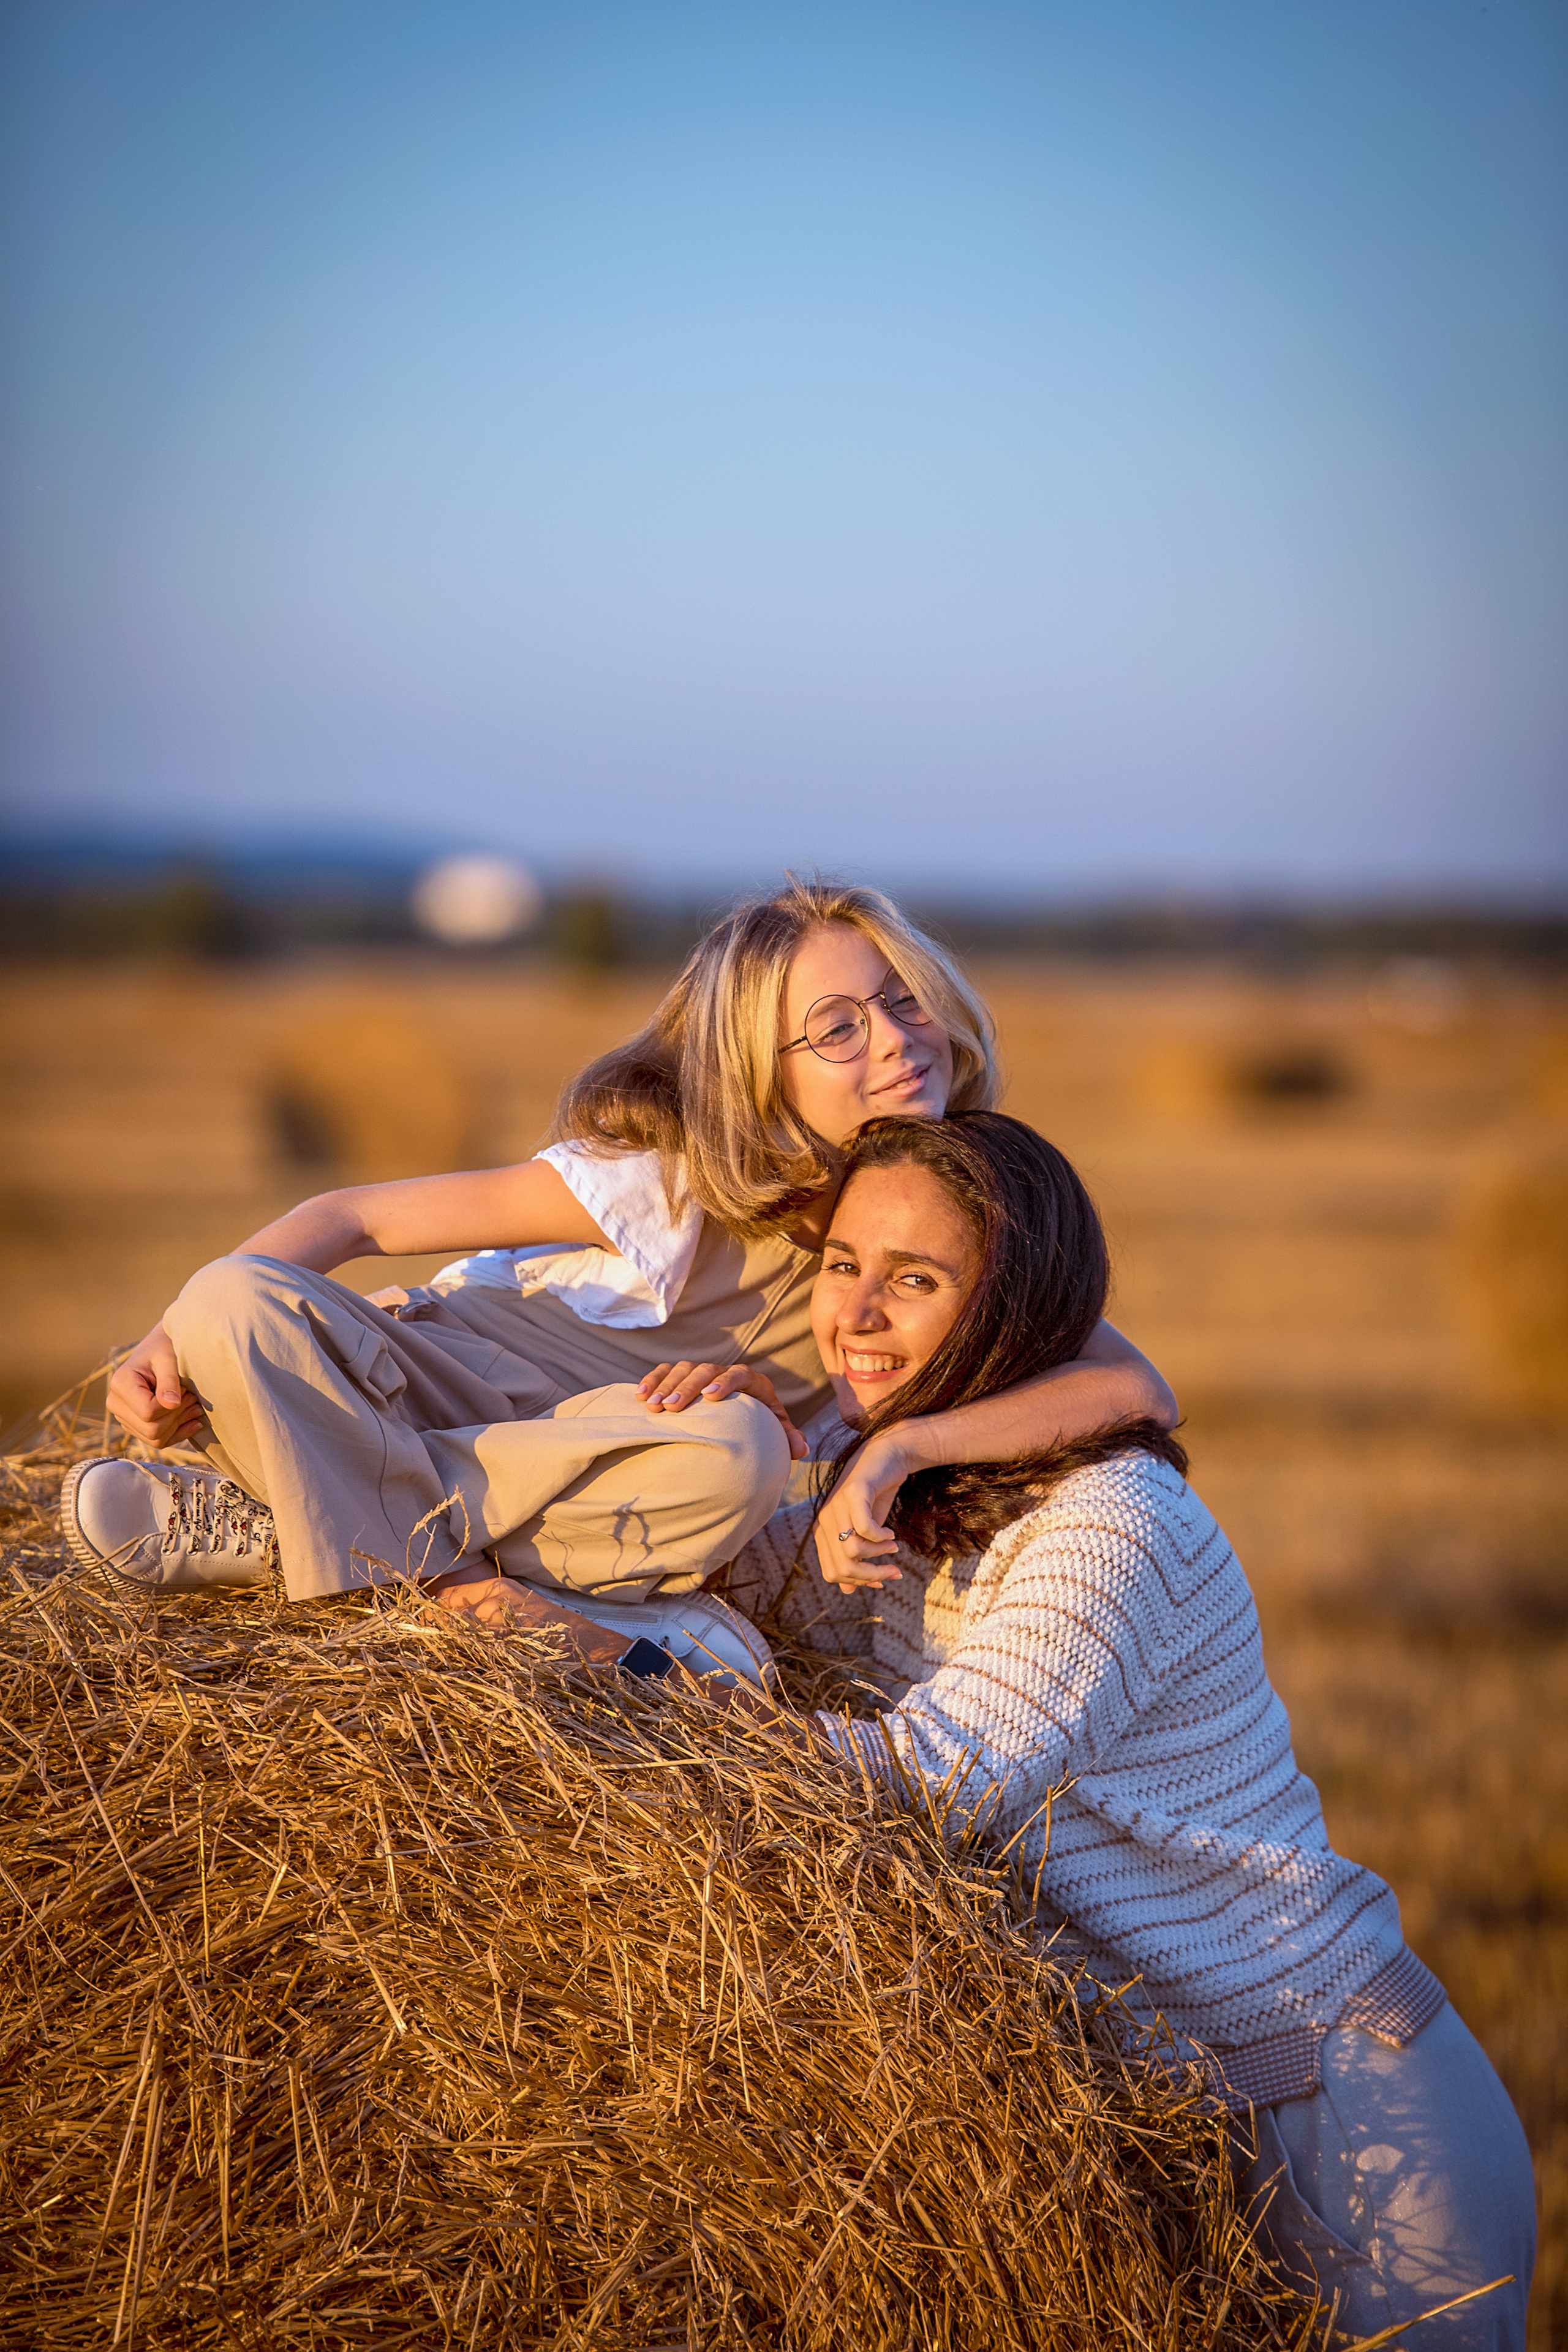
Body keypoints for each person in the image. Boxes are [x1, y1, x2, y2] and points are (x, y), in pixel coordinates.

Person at [726, 1110, 1536, 2349]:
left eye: (915, 1279)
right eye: (842, 1264)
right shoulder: (907, 1506)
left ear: (1016, 1313)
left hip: (1347, 2116)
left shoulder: (1107, 1521)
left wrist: (625, 1673)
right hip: (1163, 2122)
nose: (857, 1312)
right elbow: (738, 1601)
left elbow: (927, 1782)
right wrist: (683, 1456)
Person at [61, 880, 1174, 1673]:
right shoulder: (664, 1179)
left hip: (597, 1460)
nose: (892, 1039)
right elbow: (344, 1215)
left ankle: (295, 1515)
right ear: (758, 1070)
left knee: (738, 1460)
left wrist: (897, 1449)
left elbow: (1136, 1391)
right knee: (230, 1296)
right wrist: (173, 1335)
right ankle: (454, 1591)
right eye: (836, 1028)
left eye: (902, 999)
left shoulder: (956, 1209)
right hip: (443, 1379)